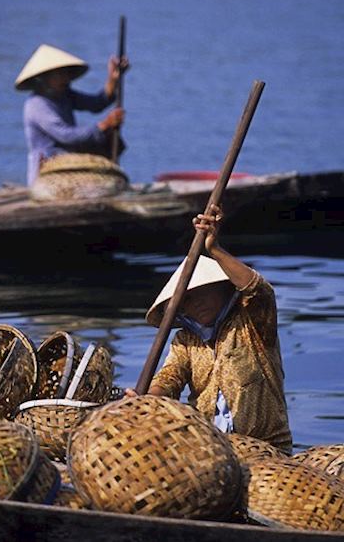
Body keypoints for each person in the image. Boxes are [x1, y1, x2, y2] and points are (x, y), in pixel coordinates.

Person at [127, 204, 293, 454]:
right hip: (212, 452)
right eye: (186, 300)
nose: (194, 304)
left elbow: (259, 290)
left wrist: (213, 249)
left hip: (266, 449)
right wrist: (147, 399)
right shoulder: (185, 341)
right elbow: (169, 379)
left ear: (221, 287)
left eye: (199, 294)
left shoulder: (252, 323)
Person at [15, 43, 127, 187]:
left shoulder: (64, 95)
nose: (66, 79)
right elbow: (66, 136)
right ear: (44, 78)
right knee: (103, 132)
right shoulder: (37, 104)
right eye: (59, 75)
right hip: (46, 173)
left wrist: (113, 78)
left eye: (66, 73)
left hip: (68, 167)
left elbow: (96, 104)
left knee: (109, 137)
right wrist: (105, 124)